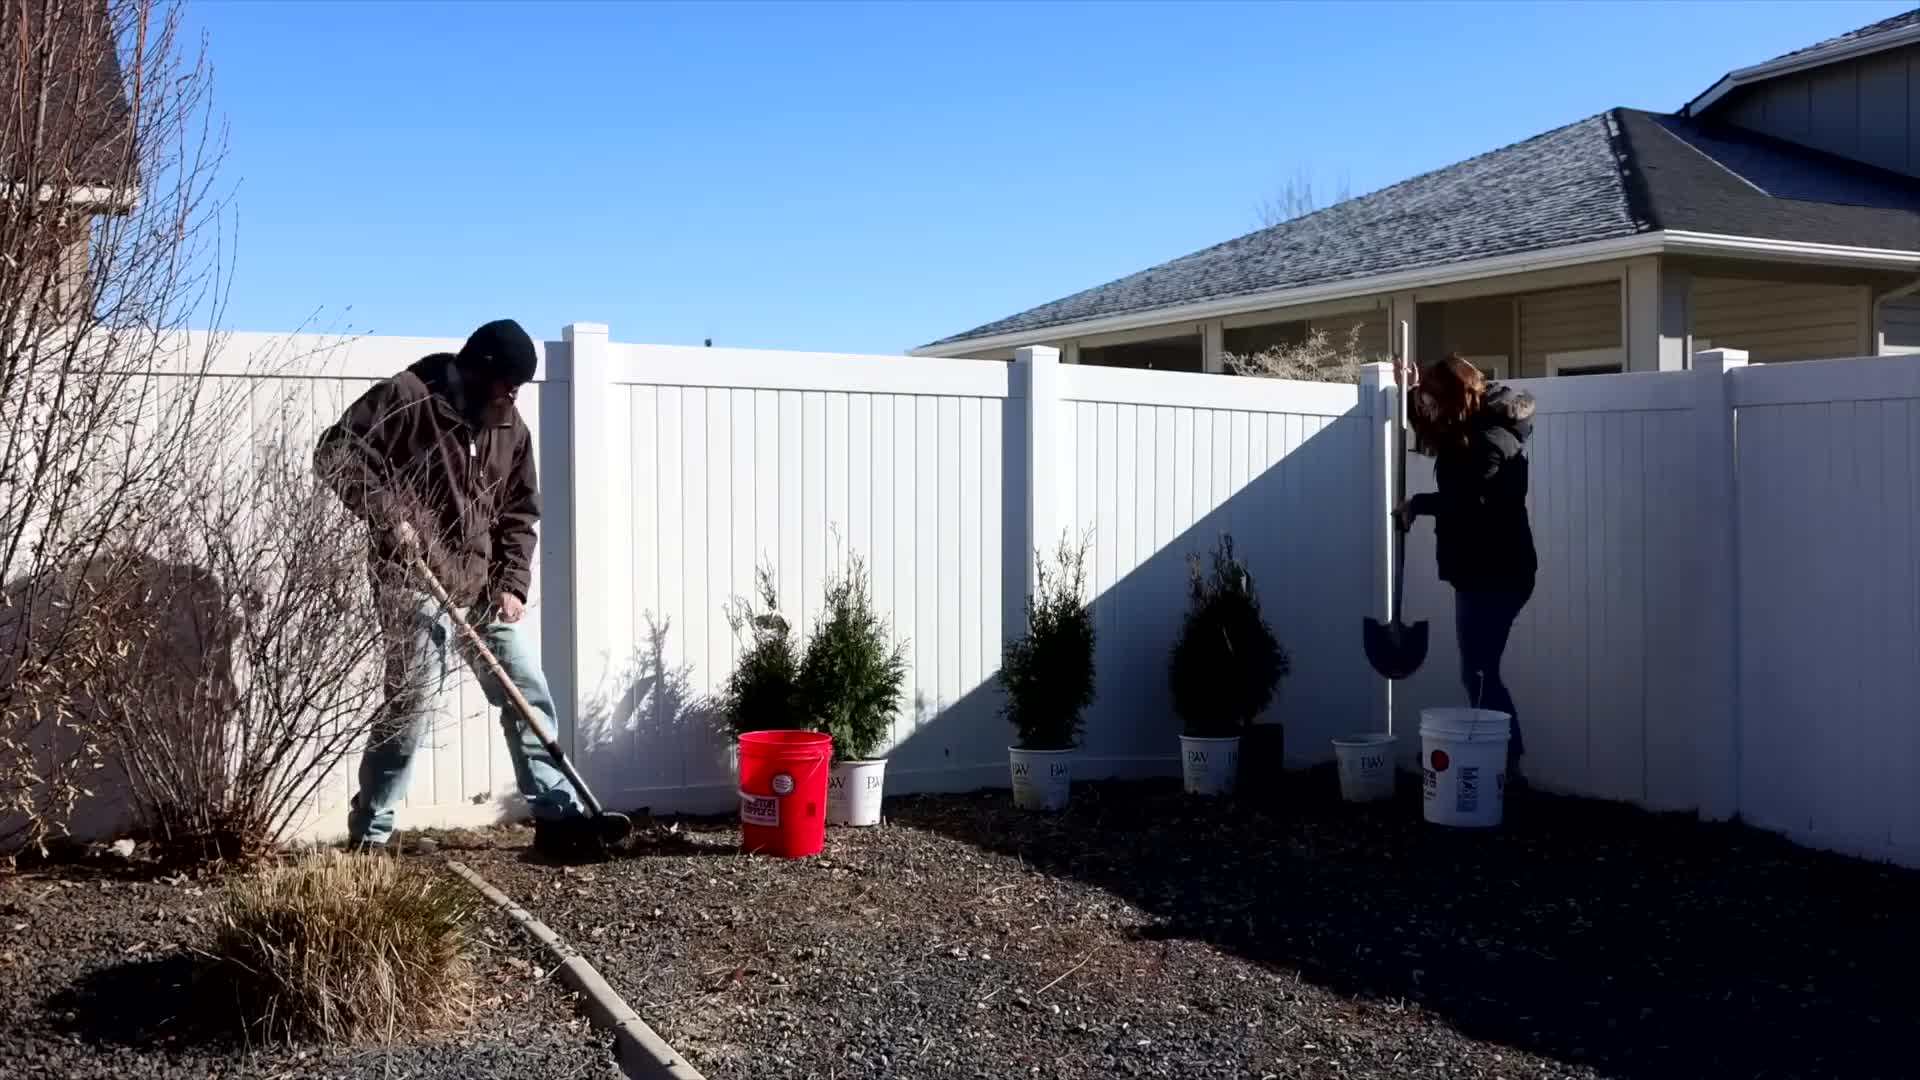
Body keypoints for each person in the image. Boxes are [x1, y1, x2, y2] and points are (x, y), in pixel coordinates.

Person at [314, 318, 594, 858]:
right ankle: (371, 835)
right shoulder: (410, 397)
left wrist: (512, 583)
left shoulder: (510, 427)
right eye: (507, 382)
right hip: (414, 578)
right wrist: (388, 516)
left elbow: (519, 512)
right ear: (480, 367)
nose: (512, 395)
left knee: (527, 691)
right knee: (412, 700)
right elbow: (338, 453)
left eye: (518, 387)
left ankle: (557, 819)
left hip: (483, 586)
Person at [1393, 354, 1538, 780]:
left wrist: (1419, 504)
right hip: (1479, 570)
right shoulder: (1468, 427)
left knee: (1477, 670)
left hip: (1499, 573)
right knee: (1476, 669)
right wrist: (1409, 394)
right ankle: (1506, 763)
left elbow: (1476, 502)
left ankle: (1508, 767)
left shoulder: (1492, 438)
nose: (1428, 408)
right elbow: (1434, 433)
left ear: (1455, 398)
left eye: (1433, 400)